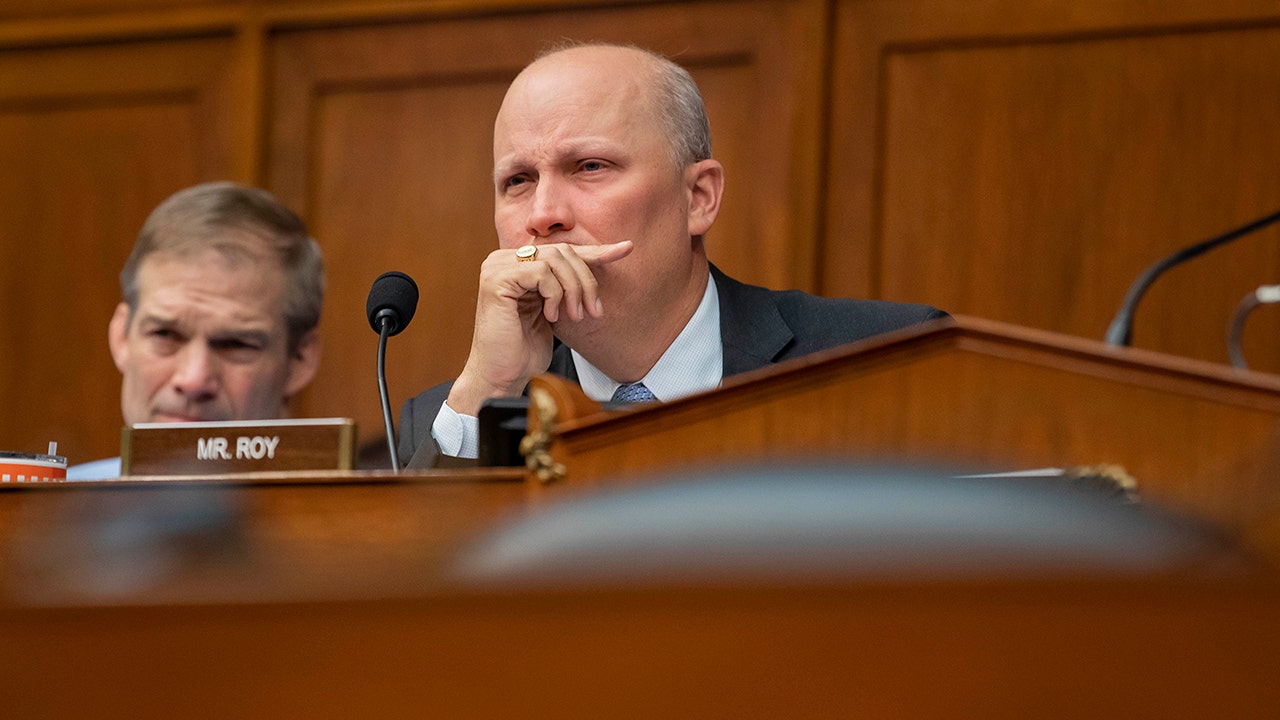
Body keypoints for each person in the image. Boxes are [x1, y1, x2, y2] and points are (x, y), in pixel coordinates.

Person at [398, 42, 946, 467]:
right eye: (517, 180)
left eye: (589, 166)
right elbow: (409, 600)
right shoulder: (449, 420)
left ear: (698, 198)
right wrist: (490, 389)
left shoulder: (891, 362)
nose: (543, 214)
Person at [67, 182, 324, 480]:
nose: (194, 379)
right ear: (121, 336)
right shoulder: (40, 516)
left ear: (300, 360)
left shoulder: (361, 519)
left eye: (235, 344)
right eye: (165, 335)